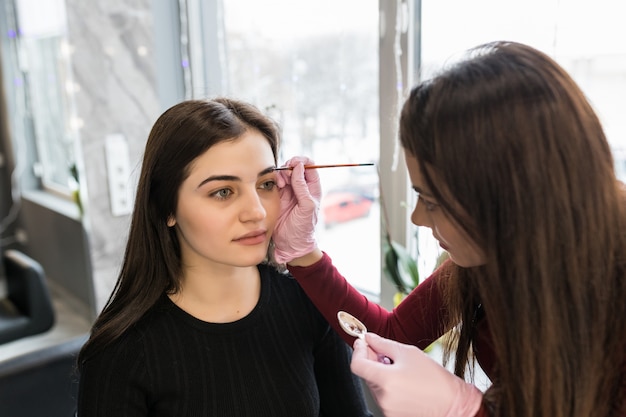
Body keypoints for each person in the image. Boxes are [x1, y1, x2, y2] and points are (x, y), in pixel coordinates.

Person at [273, 41, 626, 417]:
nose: (418, 220)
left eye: (434, 201)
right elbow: (392, 335)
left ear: (513, 198)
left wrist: (468, 410)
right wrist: (303, 252)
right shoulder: (496, 253)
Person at [76, 97, 373, 417]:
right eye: (223, 192)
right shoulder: (121, 353)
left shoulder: (308, 303)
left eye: (266, 184)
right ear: (166, 208)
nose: (257, 212)